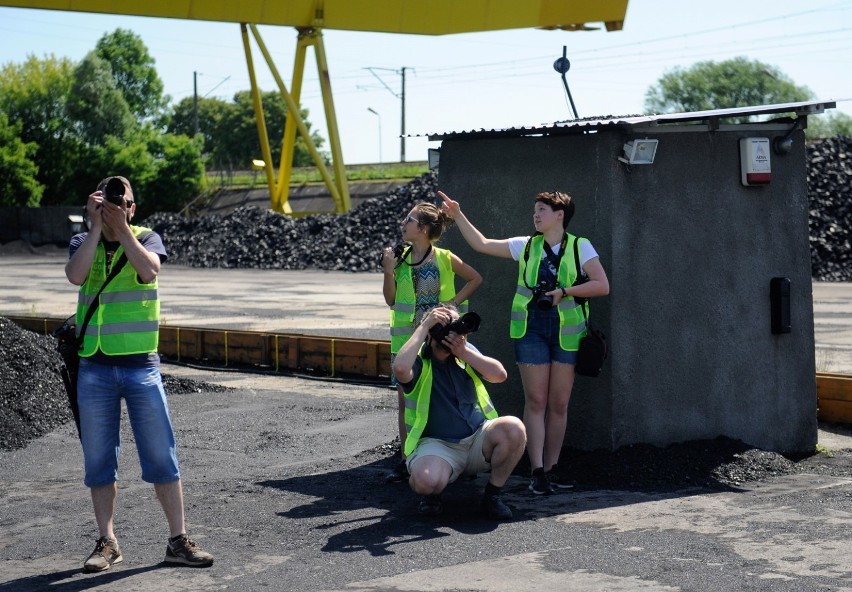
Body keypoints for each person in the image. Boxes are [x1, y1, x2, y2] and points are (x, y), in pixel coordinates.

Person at [65, 176, 214, 572]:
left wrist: (123, 229)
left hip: (140, 366)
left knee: (160, 454)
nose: (117, 206)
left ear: (133, 208)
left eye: (124, 202)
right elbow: (76, 276)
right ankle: (107, 541)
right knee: (98, 459)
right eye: (109, 199)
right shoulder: (85, 241)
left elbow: (149, 272)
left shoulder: (148, 238)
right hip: (95, 366)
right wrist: (96, 227)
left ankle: (178, 540)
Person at [438, 190, 610, 495]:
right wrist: (457, 215)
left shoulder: (580, 247)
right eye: (535, 210)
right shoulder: (527, 246)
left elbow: (602, 285)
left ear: (560, 215)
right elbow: (482, 244)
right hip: (530, 332)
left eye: (542, 210)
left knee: (558, 404)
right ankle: (537, 472)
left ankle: (553, 468)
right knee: (536, 401)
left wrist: (565, 292)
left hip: (567, 336)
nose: (536, 215)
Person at [393, 305, 527, 520]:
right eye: (447, 326)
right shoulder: (419, 360)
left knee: (514, 428)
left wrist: (464, 352)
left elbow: (499, 375)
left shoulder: (465, 353)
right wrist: (424, 325)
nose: (455, 333)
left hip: (477, 439)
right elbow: (399, 369)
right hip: (438, 445)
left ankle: (492, 495)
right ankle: (432, 496)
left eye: (457, 325)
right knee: (425, 482)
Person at [380, 202, 483, 483]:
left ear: (423, 229)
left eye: (409, 220)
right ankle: (407, 459)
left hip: (440, 341)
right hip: (408, 342)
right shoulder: (399, 260)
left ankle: (454, 453)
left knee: (448, 394)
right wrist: (388, 271)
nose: (403, 223)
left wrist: (453, 304)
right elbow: (390, 300)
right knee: (406, 403)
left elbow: (475, 278)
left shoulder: (445, 257)